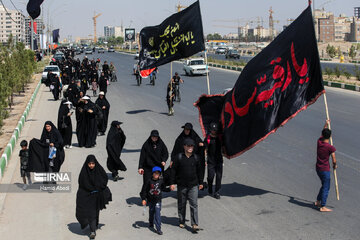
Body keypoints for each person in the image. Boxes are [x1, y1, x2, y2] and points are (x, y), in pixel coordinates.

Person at [170, 138, 203, 232]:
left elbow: (200, 171)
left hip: (193, 185)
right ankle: (181, 220)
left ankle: (195, 224)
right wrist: (172, 183)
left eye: (192, 146)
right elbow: (173, 170)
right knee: (181, 204)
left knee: (194, 204)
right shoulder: (179, 157)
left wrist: (201, 183)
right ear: (184, 146)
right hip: (181, 185)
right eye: (188, 146)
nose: (190, 147)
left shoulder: (196, 158)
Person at [76, 155, 112, 239]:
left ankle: (94, 226)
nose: (91, 165)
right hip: (87, 196)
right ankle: (92, 231)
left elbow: (104, 179)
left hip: (97, 196)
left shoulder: (99, 170)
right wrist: (91, 189)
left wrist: (98, 188)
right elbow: (82, 184)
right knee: (90, 213)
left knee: (96, 211)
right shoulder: (84, 173)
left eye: (93, 163)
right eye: (89, 164)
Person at [314, 120, 337, 212]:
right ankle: (323, 206)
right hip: (325, 169)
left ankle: (318, 201)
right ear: (330, 136)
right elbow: (334, 159)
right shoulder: (330, 147)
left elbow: (323, 130)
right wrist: (335, 165)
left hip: (318, 168)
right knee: (326, 186)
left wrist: (326, 123)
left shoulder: (319, 141)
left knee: (324, 185)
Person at [138, 130, 168, 197]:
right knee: (147, 182)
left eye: (156, 137)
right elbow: (142, 156)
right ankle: (143, 195)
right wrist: (140, 167)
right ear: (151, 136)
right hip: (148, 167)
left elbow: (165, 153)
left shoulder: (161, 143)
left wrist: (164, 160)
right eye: (153, 137)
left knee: (157, 182)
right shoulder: (146, 145)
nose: (154, 138)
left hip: (158, 166)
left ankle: (156, 196)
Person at [141, 166, 166, 235]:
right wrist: (143, 199)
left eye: (157, 173)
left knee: (157, 214)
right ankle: (151, 222)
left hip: (158, 200)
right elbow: (144, 191)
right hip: (150, 200)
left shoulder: (161, 181)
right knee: (151, 212)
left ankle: (158, 229)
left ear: (159, 174)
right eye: (155, 173)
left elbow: (164, 188)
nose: (156, 175)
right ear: (152, 173)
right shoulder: (149, 181)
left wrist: (169, 188)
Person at [204, 122, 223, 199]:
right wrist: (205, 160)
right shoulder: (207, 138)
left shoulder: (220, 137)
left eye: (215, 130)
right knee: (210, 177)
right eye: (212, 130)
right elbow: (205, 149)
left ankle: (217, 192)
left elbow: (225, 146)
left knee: (219, 177)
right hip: (211, 161)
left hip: (219, 161)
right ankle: (210, 186)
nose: (214, 131)